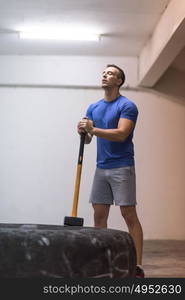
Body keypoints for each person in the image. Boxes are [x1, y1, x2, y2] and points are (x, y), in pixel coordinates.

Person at [77, 64, 144, 278]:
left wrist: (92, 130)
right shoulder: (93, 107)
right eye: (104, 73)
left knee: (128, 214)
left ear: (119, 81)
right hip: (101, 168)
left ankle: (137, 266)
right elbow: (88, 140)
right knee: (99, 216)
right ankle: (102, 263)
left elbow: (122, 134)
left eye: (111, 74)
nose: (105, 75)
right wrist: (83, 132)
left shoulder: (127, 106)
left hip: (122, 166)